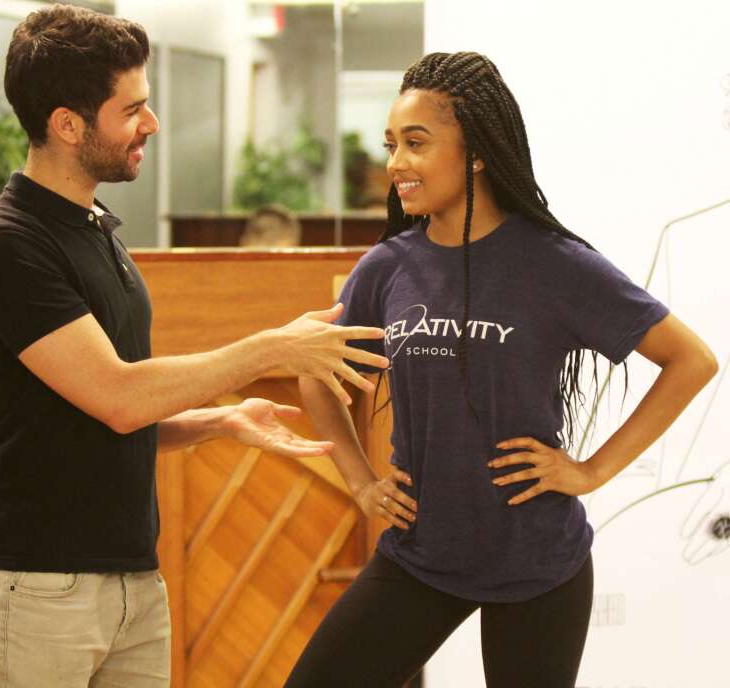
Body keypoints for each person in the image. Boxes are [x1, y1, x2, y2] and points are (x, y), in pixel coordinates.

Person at [0, 5, 388, 686]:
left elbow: (93, 420)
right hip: (37, 591)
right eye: (133, 110)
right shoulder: (10, 245)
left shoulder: (94, 227)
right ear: (67, 125)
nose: (151, 124)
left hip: (132, 582)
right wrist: (272, 348)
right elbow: (119, 398)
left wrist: (220, 421)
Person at [285, 51, 718, 688]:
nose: (396, 163)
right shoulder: (388, 267)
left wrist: (592, 470)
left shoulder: (556, 264)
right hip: (420, 553)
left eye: (416, 143)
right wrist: (358, 480)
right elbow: (313, 371)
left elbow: (692, 360)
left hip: (537, 561)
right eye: (391, 145)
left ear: (479, 153)